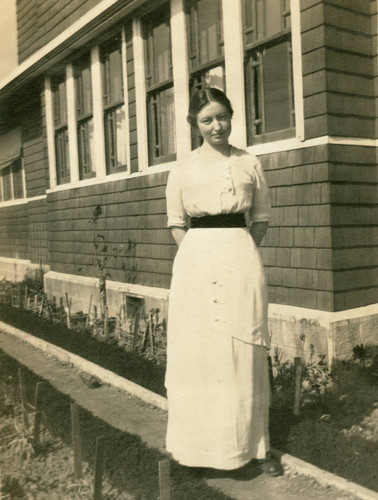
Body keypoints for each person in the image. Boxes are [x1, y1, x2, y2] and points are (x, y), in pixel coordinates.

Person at [165, 87, 281, 476]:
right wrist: (199, 255)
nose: (217, 126)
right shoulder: (182, 168)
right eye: (207, 120)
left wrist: (239, 249)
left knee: (242, 351)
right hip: (195, 260)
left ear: (232, 117)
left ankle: (251, 450)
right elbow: (177, 224)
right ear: (195, 125)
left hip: (240, 257)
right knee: (200, 354)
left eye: (222, 117)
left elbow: (261, 217)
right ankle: (196, 451)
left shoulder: (249, 162)